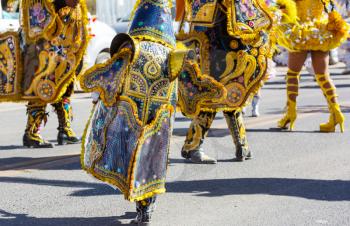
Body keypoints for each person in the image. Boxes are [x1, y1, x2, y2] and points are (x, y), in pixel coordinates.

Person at [80, 0, 225, 225]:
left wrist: (97, 88)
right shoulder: (174, 55)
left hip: (133, 96)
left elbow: (103, 77)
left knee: (131, 142)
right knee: (155, 144)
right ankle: (145, 207)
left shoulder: (131, 46)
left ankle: (137, 199)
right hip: (163, 92)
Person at [176, 0, 277, 163]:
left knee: (232, 91)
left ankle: (241, 145)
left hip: (213, 35)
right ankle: (193, 146)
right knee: (215, 92)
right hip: (220, 38)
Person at [0, 0, 88, 147]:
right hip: (45, 42)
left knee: (65, 86)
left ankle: (64, 130)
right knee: (41, 85)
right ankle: (32, 133)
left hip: (66, 43)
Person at [277, 0, 348, 132]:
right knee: (323, 75)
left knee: (293, 73)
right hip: (320, 31)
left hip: (300, 31)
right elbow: (331, 6)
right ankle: (336, 113)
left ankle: (290, 113)